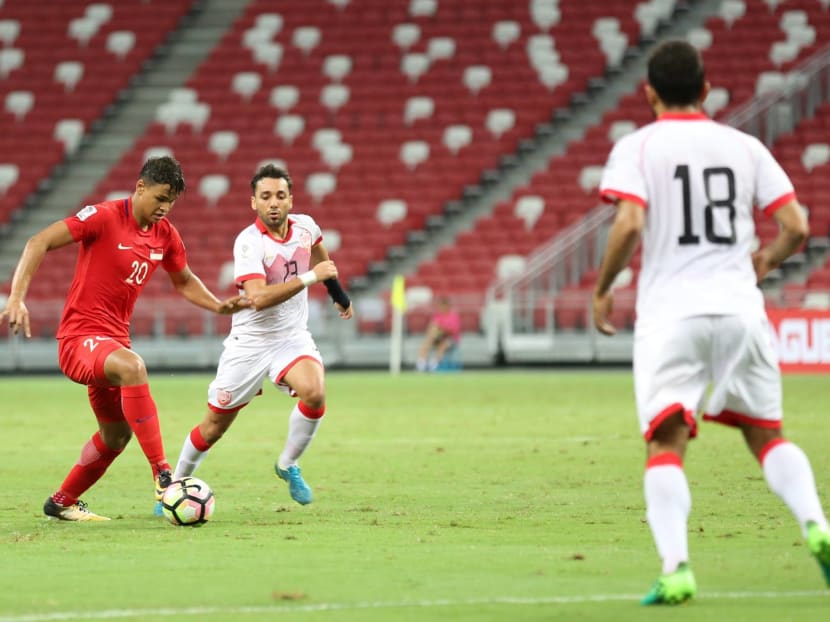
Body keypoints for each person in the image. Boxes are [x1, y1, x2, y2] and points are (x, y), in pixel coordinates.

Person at [592, 40, 830, 605]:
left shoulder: (638, 147)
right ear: (705, 89)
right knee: (767, 435)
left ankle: (676, 568)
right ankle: (817, 525)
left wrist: (602, 288)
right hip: (741, 310)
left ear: (649, 93)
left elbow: (630, 222)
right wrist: (764, 262)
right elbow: (796, 225)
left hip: (672, 315)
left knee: (665, 443)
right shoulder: (744, 146)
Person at [0, 156, 249, 521]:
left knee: (116, 435)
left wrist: (217, 305)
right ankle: (164, 476)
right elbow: (38, 242)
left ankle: (62, 501)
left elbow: (183, 280)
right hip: (79, 340)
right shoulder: (104, 217)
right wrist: (16, 298)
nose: (164, 207)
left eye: (171, 202)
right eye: (160, 198)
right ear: (140, 187)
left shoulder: (165, 235)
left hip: (113, 345)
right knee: (133, 368)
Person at [168, 164, 352, 509]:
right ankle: (173, 485)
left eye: (280, 196)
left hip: (291, 337)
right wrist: (311, 278)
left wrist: (338, 295)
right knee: (213, 427)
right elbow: (258, 297)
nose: (273, 203)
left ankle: (288, 464)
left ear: (291, 199)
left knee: (315, 393)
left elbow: (322, 260)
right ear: (253, 202)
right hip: (249, 344)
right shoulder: (249, 243)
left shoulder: (306, 227)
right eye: (265, 196)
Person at [415, 297, 461, 371]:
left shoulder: (453, 316)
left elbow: (453, 331)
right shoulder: (437, 316)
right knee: (426, 343)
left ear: (447, 306)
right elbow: (431, 328)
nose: (442, 308)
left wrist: (441, 330)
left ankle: (433, 365)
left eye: (443, 306)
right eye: (440, 306)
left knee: (443, 345)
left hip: (451, 339)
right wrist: (434, 333)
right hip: (438, 338)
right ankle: (421, 365)